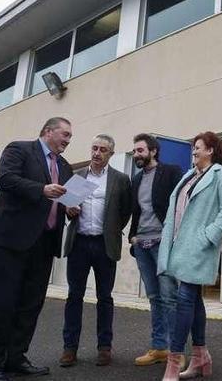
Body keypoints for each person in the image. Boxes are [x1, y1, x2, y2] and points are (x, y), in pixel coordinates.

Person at [0, 117, 74, 381]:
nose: (67, 140)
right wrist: (41, 189)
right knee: (0, 302)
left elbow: (60, 200)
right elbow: (6, 180)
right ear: (47, 131)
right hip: (10, 239)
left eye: (69, 137)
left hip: (44, 243)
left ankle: (15, 357)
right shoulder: (19, 149)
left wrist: (70, 208)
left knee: (30, 304)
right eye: (64, 134)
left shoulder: (64, 166)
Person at [157, 131, 222, 380]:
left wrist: (208, 237)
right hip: (179, 247)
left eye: (198, 148)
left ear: (211, 150)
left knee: (184, 299)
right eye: (193, 148)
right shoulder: (189, 177)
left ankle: (173, 361)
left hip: (199, 248)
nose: (193, 151)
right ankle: (201, 356)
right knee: (193, 300)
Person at [59, 134, 132, 368]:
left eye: (102, 150)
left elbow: (125, 211)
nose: (97, 153)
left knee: (105, 298)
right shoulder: (78, 177)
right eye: (94, 148)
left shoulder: (120, 179)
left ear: (110, 154)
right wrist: (69, 211)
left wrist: (111, 230)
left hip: (104, 245)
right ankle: (69, 348)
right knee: (74, 296)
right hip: (79, 243)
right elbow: (66, 207)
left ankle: (104, 348)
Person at [128, 133, 183, 367]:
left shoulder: (171, 172)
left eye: (140, 150)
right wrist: (132, 235)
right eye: (134, 151)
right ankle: (159, 347)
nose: (136, 154)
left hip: (163, 242)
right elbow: (137, 210)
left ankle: (176, 353)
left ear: (153, 151)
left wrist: (176, 237)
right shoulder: (137, 179)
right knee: (154, 297)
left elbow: (181, 205)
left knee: (170, 297)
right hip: (142, 244)